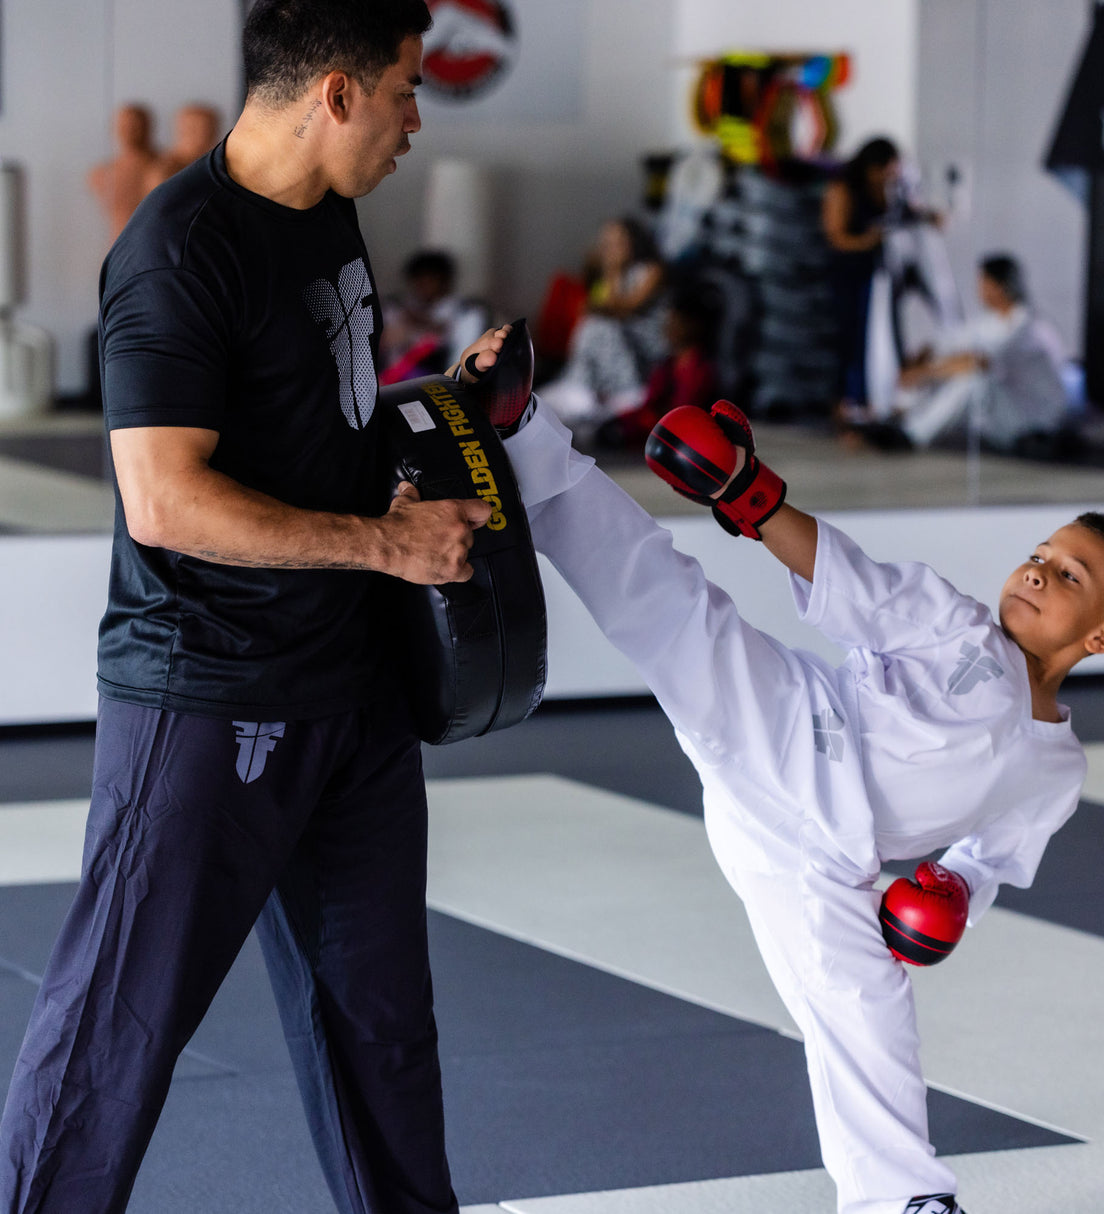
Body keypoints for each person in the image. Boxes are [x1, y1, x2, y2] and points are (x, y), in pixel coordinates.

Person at [0, 3, 513, 1212]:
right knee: (110, 1039)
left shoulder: (329, 210)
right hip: (208, 693)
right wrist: (384, 545)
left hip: (352, 689)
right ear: (332, 94)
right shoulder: (181, 251)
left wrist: (446, 402)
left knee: (383, 1029)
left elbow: (321, 411)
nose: (414, 117)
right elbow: (166, 500)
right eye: (401, 88)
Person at [494, 390, 1104, 1214]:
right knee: (667, 600)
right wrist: (748, 490)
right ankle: (524, 434)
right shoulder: (953, 624)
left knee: (867, 1012)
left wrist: (952, 894)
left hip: (825, 860)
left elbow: (991, 861)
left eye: (1070, 576)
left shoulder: (1056, 770)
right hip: (790, 728)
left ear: (1103, 636)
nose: (1036, 571)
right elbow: (842, 572)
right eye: (1039, 553)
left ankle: (904, 1202)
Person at [881, 254, 1070, 454]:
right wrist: (923, 360)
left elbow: (979, 362)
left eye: (983, 283)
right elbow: (949, 344)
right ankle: (896, 415)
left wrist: (926, 372)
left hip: (1036, 420)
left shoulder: (1027, 326)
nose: (979, 290)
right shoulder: (990, 322)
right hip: (1010, 411)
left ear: (999, 286)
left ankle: (910, 435)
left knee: (974, 381)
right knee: (935, 368)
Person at [822, 137, 944, 427]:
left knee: (885, 339)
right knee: (851, 342)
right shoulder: (844, 189)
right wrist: (867, 241)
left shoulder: (889, 189)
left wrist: (929, 217)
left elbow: (907, 212)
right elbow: (836, 236)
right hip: (850, 274)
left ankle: (879, 402)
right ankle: (847, 408)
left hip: (881, 276)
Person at [540, 216, 667, 429]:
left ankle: (628, 392)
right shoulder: (605, 277)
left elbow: (624, 309)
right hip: (616, 335)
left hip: (645, 341)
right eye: (607, 244)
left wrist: (614, 272)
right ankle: (582, 387)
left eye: (619, 242)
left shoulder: (650, 270)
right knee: (591, 325)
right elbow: (593, 306)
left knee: (600, 326)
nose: (612, 249)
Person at [598, 281, 720, 447]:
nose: (669, 327)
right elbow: (650, 404)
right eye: (669, 321)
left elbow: (682, 414)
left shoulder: (700, 370)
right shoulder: (667, 365)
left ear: (694, 325)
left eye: (676, 321)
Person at [379, 249, 491, 385]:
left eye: (431, 279)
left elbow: (463, 358)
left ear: (445, 281)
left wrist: (426, 327)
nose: (424, 285)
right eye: (419, 280)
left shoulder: (467, 313)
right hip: (393, 382)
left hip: (444, 383)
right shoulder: (396, 307)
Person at [87, 103, 160, 246]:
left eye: (136, 125)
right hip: (119, 248)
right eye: (124, 126)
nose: (130, 131)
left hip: (156, 247)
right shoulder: (101, 173)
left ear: (148, 127)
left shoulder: (164, 168)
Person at [144, 103, 222, 188]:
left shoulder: (217, 165)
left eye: (208, 129)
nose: (203, 134)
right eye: (193, 129)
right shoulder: (167, 170)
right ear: (180, 130)